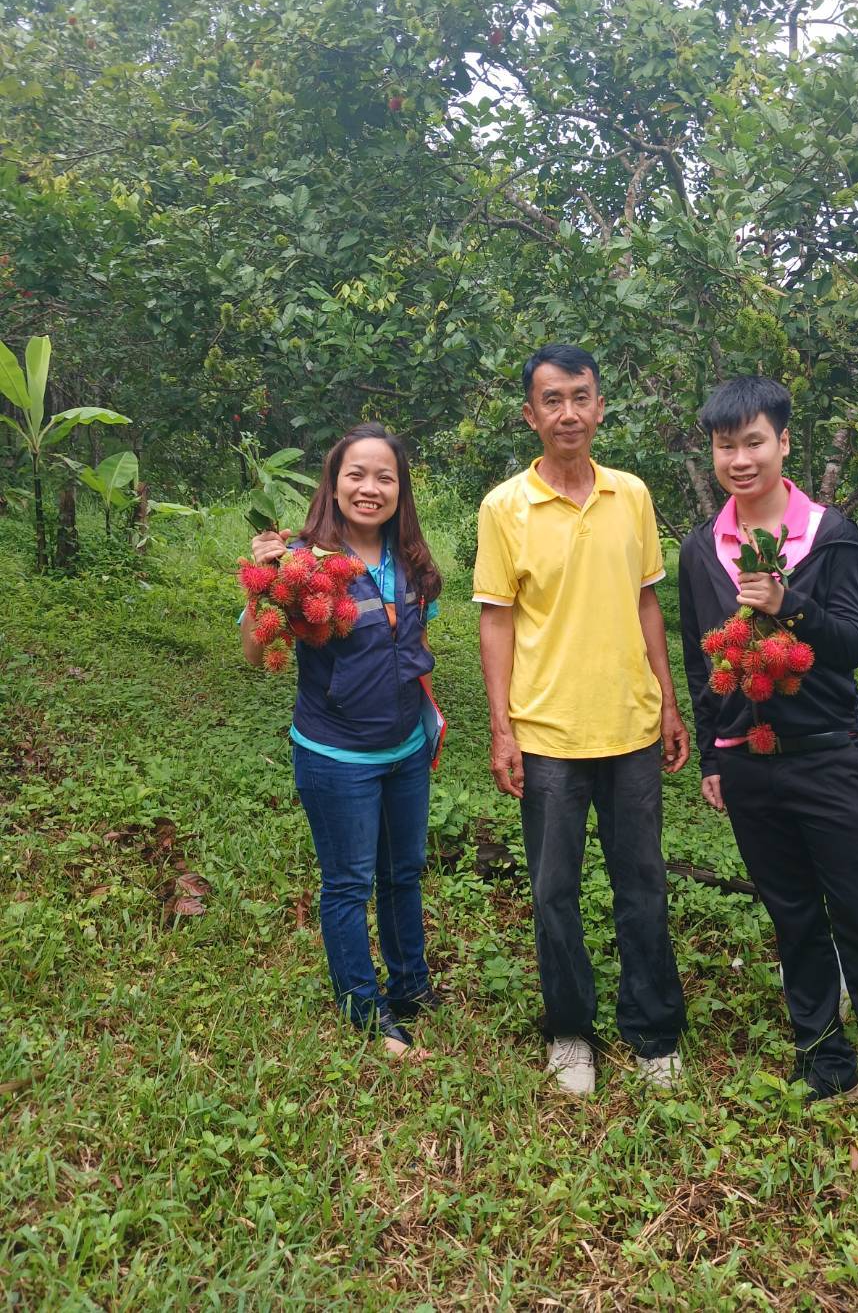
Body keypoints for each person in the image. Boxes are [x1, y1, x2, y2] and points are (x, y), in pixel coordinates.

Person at [677, 375, 858, 1165]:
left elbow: (854, 641)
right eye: (726, 445)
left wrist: (785, 604)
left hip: (829, 757)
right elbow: (703, 664)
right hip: (751, 767)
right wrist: (714, 753)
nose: (739, 458)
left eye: (753, 441)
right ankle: (824, 1058)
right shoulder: (703, 548)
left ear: (784, 442)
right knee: (793, 915)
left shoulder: (830, 534)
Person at [473, 343, 689, 1095]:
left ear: (600, 406)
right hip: (548, 733)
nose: (568, 412)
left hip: (629, 724)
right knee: (553, 889)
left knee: (643, 883)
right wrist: (502, 726)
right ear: (530, 414)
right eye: (552, 399)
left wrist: (667, 698)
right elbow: (496, 621)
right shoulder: (505, 507)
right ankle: (570, 1031)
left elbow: (645, 601)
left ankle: (654, 1029)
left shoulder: (631, 494)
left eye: (581, 397)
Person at [241, 423, 442, 1060]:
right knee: (349, 883)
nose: (369, 487)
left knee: (403, 873)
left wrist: (429, 713)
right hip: (336, 756)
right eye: (356, 473)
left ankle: (411, 986)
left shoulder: (410, 561)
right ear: (334, 482)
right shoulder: (300, 561)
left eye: (385, 476)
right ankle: (364, 1006)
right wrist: (260, 581)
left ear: (400, 490)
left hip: (405, 748)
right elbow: (253, 651)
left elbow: (416, 647)